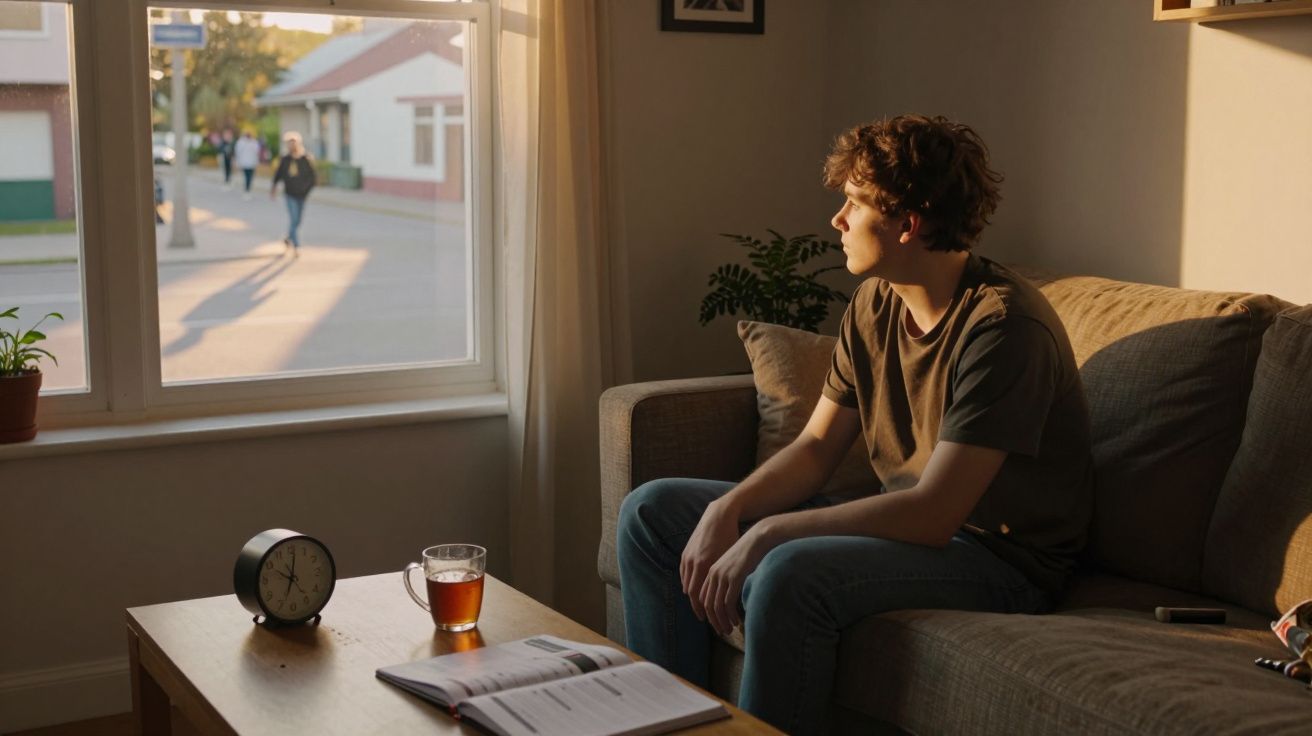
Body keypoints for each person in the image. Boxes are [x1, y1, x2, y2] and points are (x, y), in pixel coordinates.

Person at [616, 114, 1094, 735]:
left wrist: (766, 535)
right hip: (914, 530)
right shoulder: (877, 300)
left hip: (1002, 562)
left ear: (907, 222)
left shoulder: (1003, 330)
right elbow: (816, 448)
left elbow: (933, 513)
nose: (837, 221)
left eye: (853, 203)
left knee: (788, 573)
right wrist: (727, 509)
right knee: (651, 515)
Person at [270, 131, 316, 257]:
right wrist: (273, 188)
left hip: (302, 195)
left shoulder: (305, 159)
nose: (292, 147)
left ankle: (288, 237)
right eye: (289, 144)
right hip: (290, 194)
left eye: (294, 144)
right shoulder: (285, 160)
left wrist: (306, 190)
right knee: (294, 218)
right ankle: (296, 245)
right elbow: (278, 174)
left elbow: (312, 178)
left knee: (298, 220)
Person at [233, 130, 261, 200]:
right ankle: (246, 190)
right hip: (244, 163)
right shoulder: (241, 142)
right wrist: (238, 162)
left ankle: (248, 189)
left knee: (250, 177)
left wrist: (257, 162)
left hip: (252, 163)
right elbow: (238, 153)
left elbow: (257, 153)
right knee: (247, 177)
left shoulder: (254, 142)